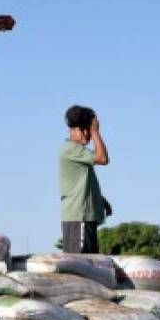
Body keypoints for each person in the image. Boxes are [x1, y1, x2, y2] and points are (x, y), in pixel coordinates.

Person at [59, 105, 112, 254]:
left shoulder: (78, 152)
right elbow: (103, 158)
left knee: (90, 265)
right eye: (85, 130)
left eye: (89, 130)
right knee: (82, 265)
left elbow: (81, 183)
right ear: (74, 130)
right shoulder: (70, 149)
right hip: (79, 217)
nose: (88, 135)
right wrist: (96, 131)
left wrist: (100, 200)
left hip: (85, 217)